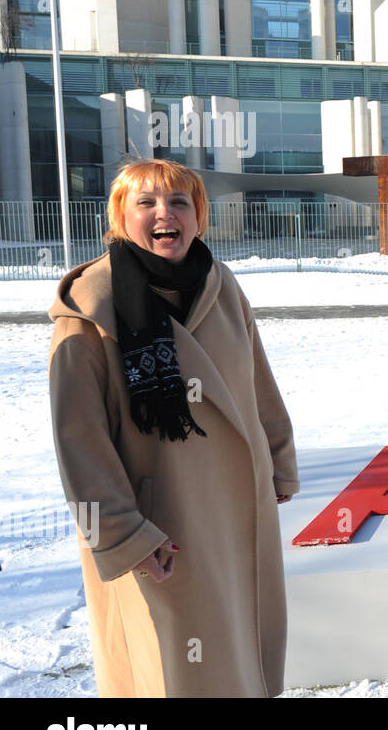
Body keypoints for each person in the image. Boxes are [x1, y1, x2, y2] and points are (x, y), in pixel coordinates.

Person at [48, 158, 299, 697]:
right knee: (169, 670)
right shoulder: (91, 304)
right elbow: (78, 440)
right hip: (157, 521)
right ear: (120, 218)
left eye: (179, 202)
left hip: (235, 506)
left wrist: (277, 461)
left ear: (199, 216)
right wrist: (122, 535)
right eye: (146, 203)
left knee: (235, 650)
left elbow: (256, 383)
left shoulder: (219, 283)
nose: (165, 214)